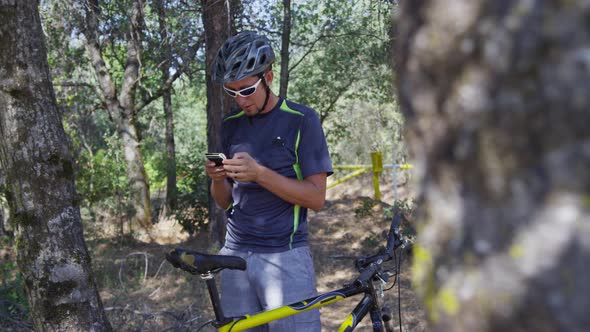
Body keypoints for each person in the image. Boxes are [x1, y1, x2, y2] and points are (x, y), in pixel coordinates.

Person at [205, 31, 333, 331]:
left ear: (269, 77)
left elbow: (316, 198)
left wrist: (260, 174)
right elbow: (224, 201)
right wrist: (217, 179)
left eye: (247, 89)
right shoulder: (230, 126)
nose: (239, 100)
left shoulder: (302, 120)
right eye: (231, 92)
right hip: (235, 255)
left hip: (284, 255)